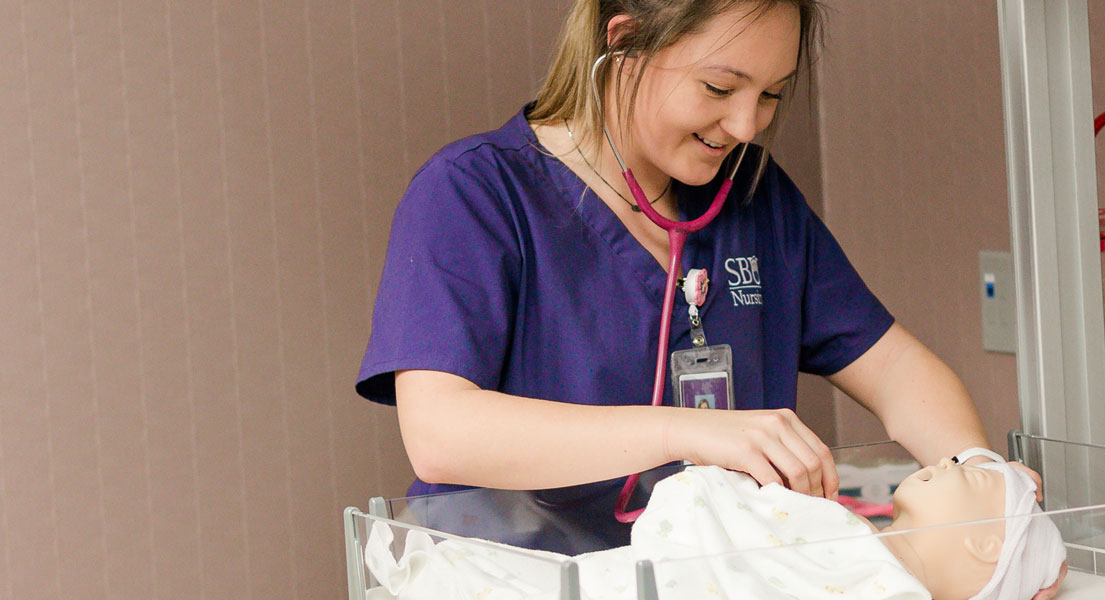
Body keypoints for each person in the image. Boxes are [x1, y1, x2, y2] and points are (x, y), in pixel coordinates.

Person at [357, 0, 1037, 561]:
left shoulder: (757, 200)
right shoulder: (476, 192)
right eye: (719, 87)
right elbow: (443, 433)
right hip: (521, 577)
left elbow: (894, 367)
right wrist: (692, 433)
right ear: (622, 44)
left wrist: (980, 479)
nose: (745, 125)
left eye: (771, 93)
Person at [364, 461, 1068, 600]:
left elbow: (701, 505)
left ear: (982, 544)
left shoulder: (881, 580)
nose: (946, 459)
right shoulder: (849, 533)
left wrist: (713, 486)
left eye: (967, 474)